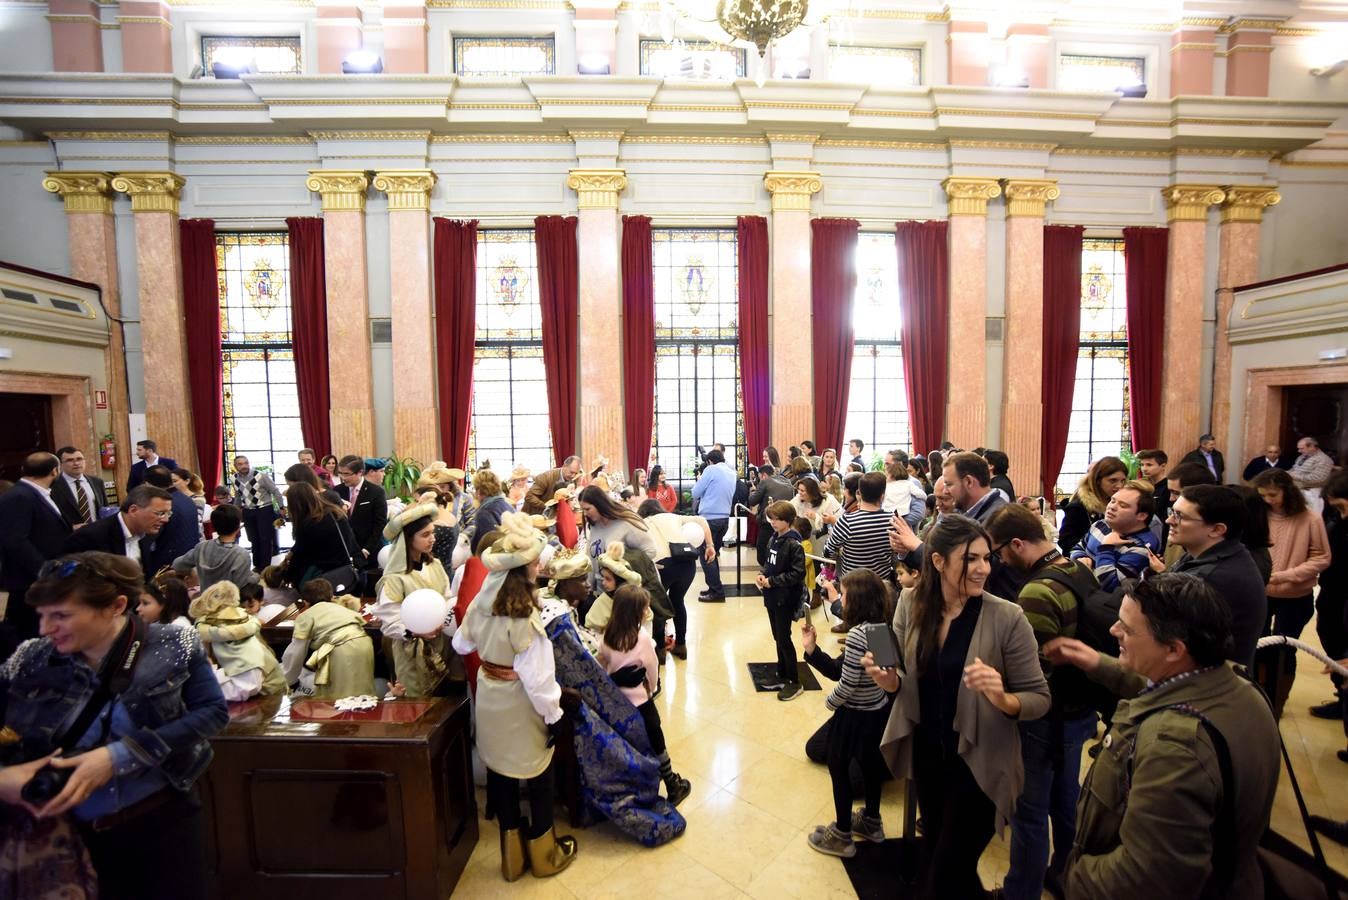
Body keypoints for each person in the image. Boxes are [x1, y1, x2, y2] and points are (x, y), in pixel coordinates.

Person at [0, 551, 227, 900]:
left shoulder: (175, 644)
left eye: (61, 615)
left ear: (118, 605)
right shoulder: (30, 660)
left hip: (163, 823)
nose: (45, 629)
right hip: (68, 836)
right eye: (42, 615)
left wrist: (119, 757)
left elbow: (212, 712)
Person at [1044, 573, 1280, 900]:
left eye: (1126, 628)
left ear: (1173, 649)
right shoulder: (1236, 688)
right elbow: (1167, 689)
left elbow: (1142, 879)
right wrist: (1099, 664)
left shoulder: (1175, 750)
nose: (1113, 631)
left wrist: (1074, 876)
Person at [868, 515, 1050, 900]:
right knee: (943, 859)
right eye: (971, 559)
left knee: (946, 874)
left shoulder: (1007, 617)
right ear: (937, 562)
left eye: (986, 557)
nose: (984, 568)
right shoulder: (911, 602)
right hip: (931, 759)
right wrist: (890, 681)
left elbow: (1039, 698)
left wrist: (1003, 698)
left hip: (979, 763)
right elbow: (902, 672)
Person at [452, 512, 578, 881]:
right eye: (535, 563)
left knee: (502, 775)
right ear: (523, 571)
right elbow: (538, 681)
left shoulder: (480, 605)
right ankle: (544, 855)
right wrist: (554, 716)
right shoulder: (526, 619)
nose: (539, 567)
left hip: (491, 697)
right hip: (520, 702)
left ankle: (512, 859)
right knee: (539, 776)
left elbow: (461, 642)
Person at [985, 503, 1101, 900]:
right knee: (1066, 798)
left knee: (1029, 810)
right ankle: (1064, 873)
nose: (999, 561)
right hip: (1079, 707)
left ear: (1017, 544)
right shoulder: (1074, 568)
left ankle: (1021, 892)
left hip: (1047, 717)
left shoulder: (1036, 591)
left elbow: (1029, 672)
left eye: (1000, 552)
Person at [802, 569, 892, 857]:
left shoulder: (856, 635)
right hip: (875, 714)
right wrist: (813, 650)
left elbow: (848, 684)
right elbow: (880, 677)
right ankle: (871, 821)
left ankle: (842, 834)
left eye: (843, 594)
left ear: (858, 600)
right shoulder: (881, 629)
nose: (840, 597)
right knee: (870, 768)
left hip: (852, 716)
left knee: (839, 768)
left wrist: (830, 702)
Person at [598, 584, 692, 806]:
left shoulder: (607, 636)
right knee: (656, 739)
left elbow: (602, 666)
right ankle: (671, 783)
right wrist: (650, 688)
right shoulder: (641, 638)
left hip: (617, 701)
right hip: (640, 701)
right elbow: (651, 669)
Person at [1251, 467, 1330, 714]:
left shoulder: (1310, 518)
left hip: (1295, 595)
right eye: (1263, 495)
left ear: (1287, 492)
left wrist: (1286, 575)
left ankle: (1277, 701)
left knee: (1285, 649)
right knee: (1258, 644)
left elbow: (1321, 557)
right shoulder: (1258, 516)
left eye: (1273, 495)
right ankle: (1257, 696)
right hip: (1262, 592)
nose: (1268, 500)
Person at [1163, 485, 1267, 671]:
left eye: (1180, 516)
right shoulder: (1207, 554)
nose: (1169, 520)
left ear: (1217, 529)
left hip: (1205, 687)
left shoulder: (1210, 577)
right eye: (1173, 512)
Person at [373, 503, 453, 698]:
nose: (432, 539)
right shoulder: (394, 579)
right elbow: (390, 621)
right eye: (425, 535)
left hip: (439, 644)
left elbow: (446, 597)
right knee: (415, 697)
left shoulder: (434, 565)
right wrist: (414, 631)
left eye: (432, 533)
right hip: (410, 651)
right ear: (408, 540)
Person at [0, 452, 73, 643]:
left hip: (47, 582)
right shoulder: (19, 496)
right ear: (55, 471)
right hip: (30, 583)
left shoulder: (37, 493)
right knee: (32, 637)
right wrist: (45, 570)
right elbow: (15, 540)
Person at [637, 498, 714, 659]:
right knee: (678, 601)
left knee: (658, 607)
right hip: (687, 564)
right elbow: (701, 520)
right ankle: (681, 645)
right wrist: (710, 546)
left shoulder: (643, 522)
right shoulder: (674, 517)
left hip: (663, 566)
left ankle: (660, 650)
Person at [189, 580, 286, 701]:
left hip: (267, 700)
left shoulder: (232, 641)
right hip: (267, 695)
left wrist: (209, 677)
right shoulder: (242, 629)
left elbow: (247, 686)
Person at [282, 578, 375, 699]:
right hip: (365, 643)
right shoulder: (342, 608)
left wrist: (289, 680)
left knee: (338, 696)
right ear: (330, 596)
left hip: (341, 648)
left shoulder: (306, 616)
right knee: (362, 691)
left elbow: (296, 653)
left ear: (305, 602)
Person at [753, 501, 807, 701]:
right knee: (778, 637)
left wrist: (772, 581)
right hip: (772, 596)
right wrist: (762, 575)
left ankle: (794, 680)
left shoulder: (794, 544)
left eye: (778, 520)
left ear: (789, 520)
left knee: (784, 639)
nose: (773, 523)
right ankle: (782, 673)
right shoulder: (774, 539)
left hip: (785, 598)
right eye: (772, 519)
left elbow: (797, 573)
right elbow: (769, 563)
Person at [1068, 480, 1161, 591]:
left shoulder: (1141, 548)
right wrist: (1080, 558)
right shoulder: (1101, 524)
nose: (1112, 507)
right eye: (1112, 501)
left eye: (1123, 505)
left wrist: (1106, 547)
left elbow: (1110, 585)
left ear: (1141, 516)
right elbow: (1078, 547)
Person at [64, 484, 172, 573]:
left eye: (168, 513)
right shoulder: (90, 537)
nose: (166, 519)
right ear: (133, 510)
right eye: (160, 513)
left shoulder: (149, 533)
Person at [579, 485, 658, 592]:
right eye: (583, 510)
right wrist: (589, 586)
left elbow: (651, 551)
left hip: (627, 592)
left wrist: (620, 569)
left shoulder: (627, 523)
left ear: (599, 504)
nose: (585, 513)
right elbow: (592, 558)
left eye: (588, 509)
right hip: (603, 591)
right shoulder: (594, 525)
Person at [282, 482, 359, 590]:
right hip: (344, 569)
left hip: (322, 574)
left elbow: (301, 555)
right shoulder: (335, 512)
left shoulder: (308, 523)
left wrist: (286, 576)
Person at [824, 471, 895, 583]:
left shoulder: (847, 521)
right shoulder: (893, 520)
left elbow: (828, 551)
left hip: (852, 585)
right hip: (881, 584)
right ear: (882, 496)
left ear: (859, 494)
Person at [171, 504, 258, 593]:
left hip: (206, 600)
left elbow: (177, 564)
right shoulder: (241, 554)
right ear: (238, 527)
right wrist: (256, 577)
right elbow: (242, 584)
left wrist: (193, 572)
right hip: (230, 603)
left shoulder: (202, 547)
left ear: (214, 526)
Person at [690, 448, 736, 602]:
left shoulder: (710, 470)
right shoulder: (731, 471)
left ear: (710, 461)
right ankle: (714, 587)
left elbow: (695, 493)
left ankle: (717, 591)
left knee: (706, 555)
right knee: (713, 552)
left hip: (709, 519)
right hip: (724, 518)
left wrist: (700, 479)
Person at [1057, 456, 1128, 554]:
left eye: (1123, 481)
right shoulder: (1078, 507)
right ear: (1097, 481)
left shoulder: (1122, 503)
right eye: (1113, 480)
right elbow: (1065, 541)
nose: (1119, 486)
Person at [332, 456, 388, 571]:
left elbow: (380, 524)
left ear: (360, 473)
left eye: (347, 474)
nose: (343, 478)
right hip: (344, 551)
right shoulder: (337, 491)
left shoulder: (376, 492)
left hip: (367, 551)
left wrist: (367, 549)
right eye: (341, 473)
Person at [142, 465, 200, 573]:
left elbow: (150, 538)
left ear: (148, 484)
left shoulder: (162, 503)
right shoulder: (187, 499)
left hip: (167, 564)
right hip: (189, 560)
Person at [230, 455, 283, 571]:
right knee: (253, 538)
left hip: (264, 509)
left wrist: (281, 507)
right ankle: (257, 565)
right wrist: (235, 511)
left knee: (265, 539)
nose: (244, 466)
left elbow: (275, 491)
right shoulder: (233, 478)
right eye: (240, 464)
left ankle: (265, 567)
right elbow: (238, 496)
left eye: (246, 463)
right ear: (235, 466)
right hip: (248, 511)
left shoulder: (261, 476)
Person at [747, 463, 796, 566]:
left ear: (763, 475)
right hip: (786, 522)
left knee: (762, 548)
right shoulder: (788, 481)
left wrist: (753, 491)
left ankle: (767, 570)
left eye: (760, 477)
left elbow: (752, 501)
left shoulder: (765, 482)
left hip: (769, 521)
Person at [52, 446, 109, 528]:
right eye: (70, 460)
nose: (76, 463)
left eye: (79, 459)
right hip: (71, 536)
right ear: (60, 464)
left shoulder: (97, 482)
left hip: (97, 533)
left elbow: (105, 509)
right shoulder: (53, 486)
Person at [1289, 435, 1334, 514]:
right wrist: (1285, 473)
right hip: (1297, 491)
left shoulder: (1324, 460)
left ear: (1312, 447)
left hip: (1312, 493)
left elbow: (1319, 479)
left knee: (1312, 519)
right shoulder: (1302, 457)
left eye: (1301, 448)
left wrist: (1294, 476)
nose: (1299, 451)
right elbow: (1294, 469)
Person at [791, 476, 841, 544]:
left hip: (822, 539)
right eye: (798, 489)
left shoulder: (828, 501)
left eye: (802, 491)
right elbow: (788, 509)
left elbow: (839, 522)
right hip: (804, 539)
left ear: (811, 492)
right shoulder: (798, 499)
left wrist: (816, 517)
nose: (799, 492)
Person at [470, 468, 513, 542]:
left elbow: (484, 545)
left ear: (479, 491)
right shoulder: (507, 505)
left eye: (475, 489)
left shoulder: (484, 512)